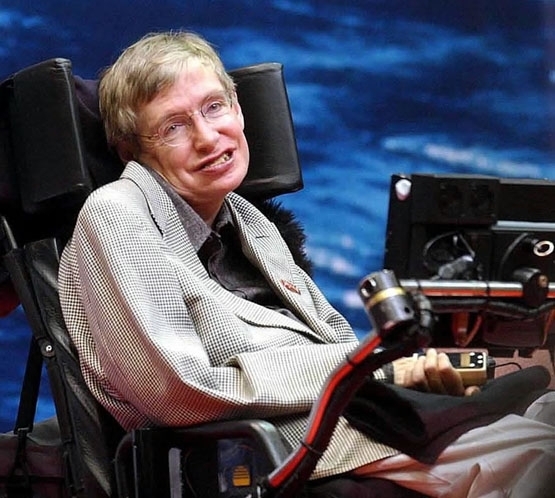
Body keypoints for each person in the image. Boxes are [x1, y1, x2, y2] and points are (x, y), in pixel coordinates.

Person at [58, 31, 555, 497]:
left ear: (238, 107)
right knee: (542, 456)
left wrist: (397, 372)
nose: (208, 137)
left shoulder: (248, 218)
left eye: (214, 107)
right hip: (281, 446)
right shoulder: (117, 213)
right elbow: (176, 390)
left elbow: (334, 343)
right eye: (173, 127)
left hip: (357, 416)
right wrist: (371, 371)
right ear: (132, 150)